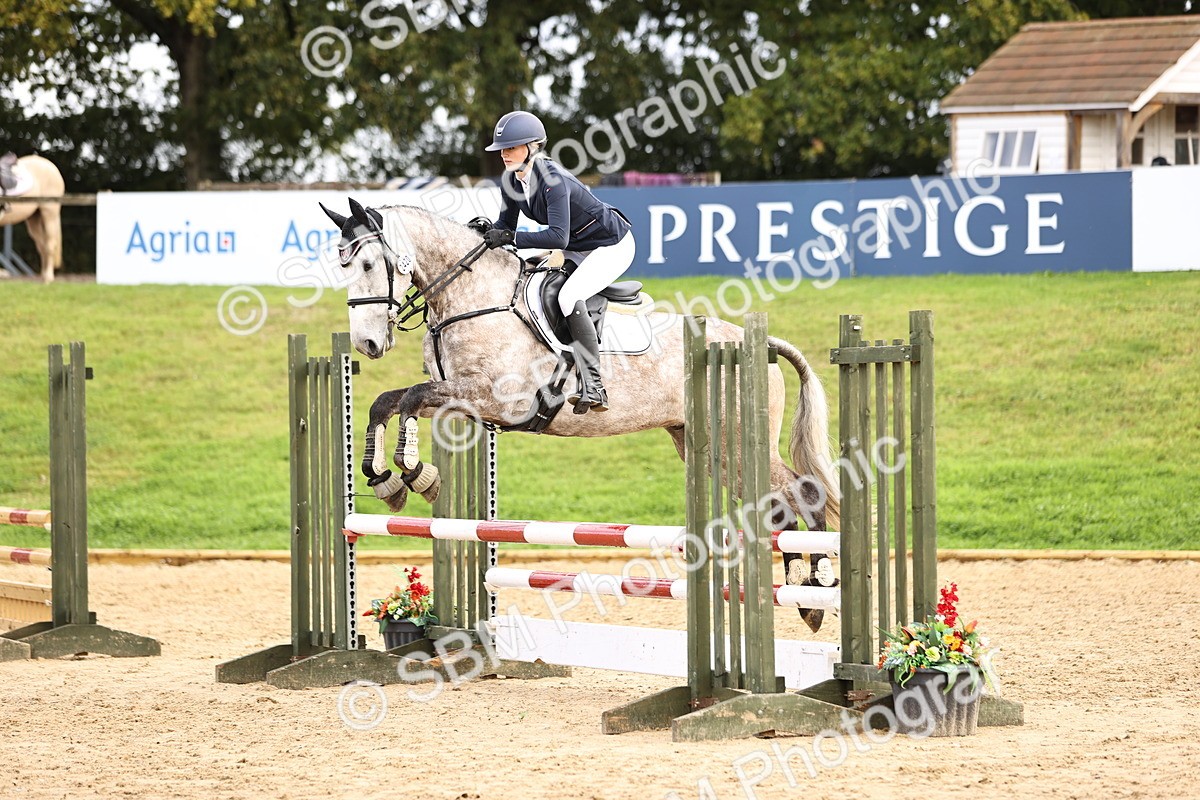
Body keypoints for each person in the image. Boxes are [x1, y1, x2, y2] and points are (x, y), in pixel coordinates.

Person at [470, 111, 635, 414]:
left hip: (611, 245)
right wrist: (485, 232)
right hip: (578, 246)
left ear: (532, 147)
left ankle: (595, 385)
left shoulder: (552, 180)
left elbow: (558, 237)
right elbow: (505, 225)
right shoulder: (511, 180)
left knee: (569, 296)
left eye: (511, 147)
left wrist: (510, 237)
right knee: (543, 288)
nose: (504, 154)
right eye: (502, 149)